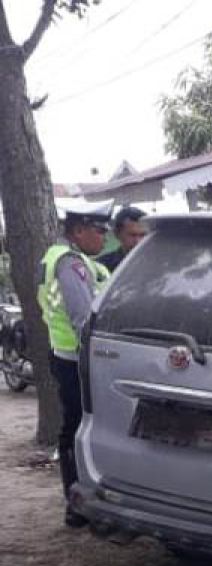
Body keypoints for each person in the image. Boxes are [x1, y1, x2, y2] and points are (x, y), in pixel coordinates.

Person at [39, 200, 113, 528]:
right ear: (79, 230)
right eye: (99, 231)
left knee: (74, 429)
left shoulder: (56, 256)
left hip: (64, 355)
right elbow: (84, 317)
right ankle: (79, 504)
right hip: (78, 360)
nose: (104, 237)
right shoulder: (70, 262)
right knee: (80, 432)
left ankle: (77, 504)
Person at [97, 206, 146, 272]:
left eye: (143, 235)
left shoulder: (158, 263)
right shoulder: (100, 267)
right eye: (132, 235)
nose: (138, 241)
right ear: (117, 234)